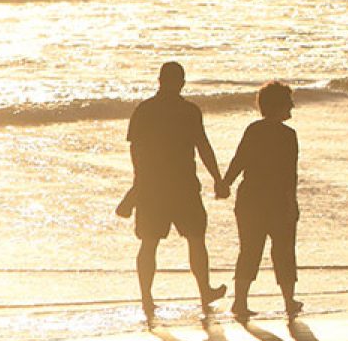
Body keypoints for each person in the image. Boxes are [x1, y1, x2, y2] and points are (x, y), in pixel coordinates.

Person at [127, 61, 227, 321]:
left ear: (159, 80)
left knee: (150, 243)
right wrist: (217, 178)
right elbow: (203, 146)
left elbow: (136, 152)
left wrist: (137, 186)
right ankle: (204, 292)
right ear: (181, 82)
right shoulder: (188, 111)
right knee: (195, 240)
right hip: (182, 187)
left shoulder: (144, 110)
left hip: (154, 188)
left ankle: (147, 298)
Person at [217, 81, 301, 318]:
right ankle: (288, 301)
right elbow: (289, 174)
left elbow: (239, 160)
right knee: (284, 250)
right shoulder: (288, 136)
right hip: (276, 200)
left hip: (249, 200)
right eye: (288, 102)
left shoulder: (253, 130)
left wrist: (225, 183)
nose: (292, 107)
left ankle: (240, 302)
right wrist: (291, 203)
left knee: (249, 250)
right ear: (278, 106)